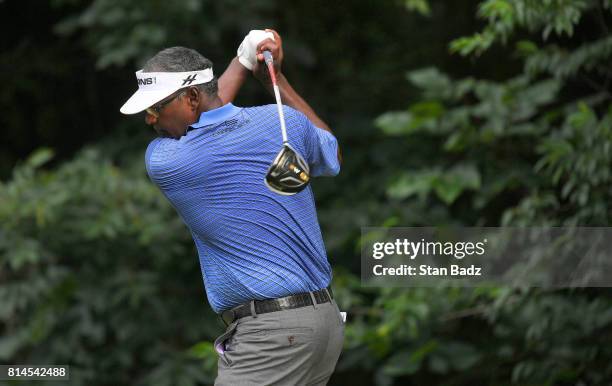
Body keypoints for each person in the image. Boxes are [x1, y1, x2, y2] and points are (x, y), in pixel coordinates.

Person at [119, 29, 344, 385]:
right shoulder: (281, 122)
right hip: (324, 324)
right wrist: (274, 79)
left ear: (191, 97)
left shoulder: (168, 160)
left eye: (155, 107)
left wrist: (240, 62)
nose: (150, 119)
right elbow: (331, 151)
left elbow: (215, 104)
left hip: (271, 336)